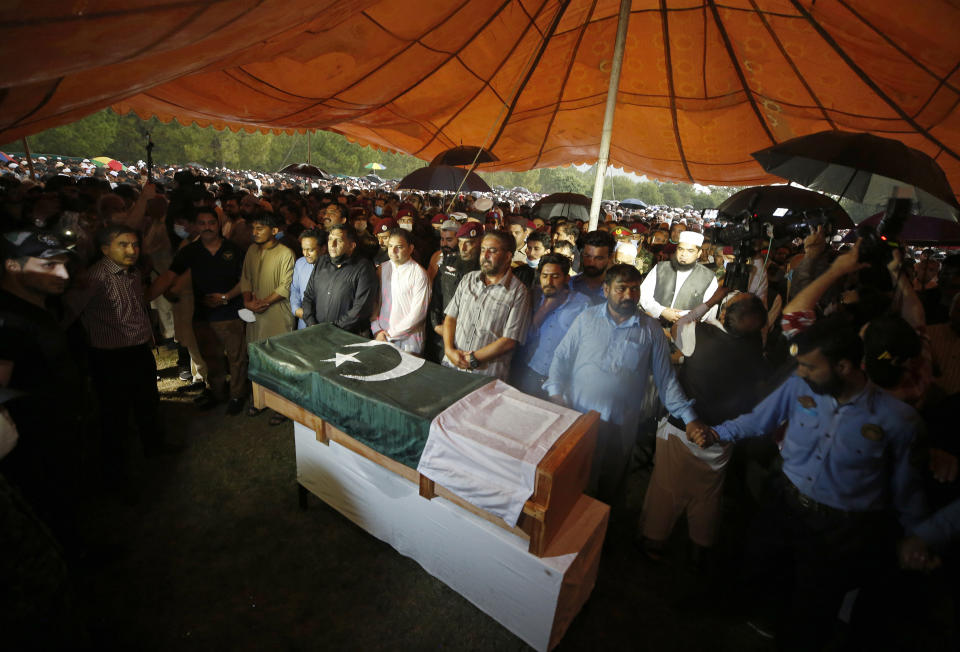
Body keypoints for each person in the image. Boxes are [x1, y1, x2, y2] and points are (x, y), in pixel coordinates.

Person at [688, 315, 928, 649]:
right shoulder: (799, 386)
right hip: (783, 499)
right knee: (752, 565)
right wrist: (717, 433)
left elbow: (907, 491)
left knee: (813, 606)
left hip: (840, 528)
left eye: (810, 367)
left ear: (844, 366)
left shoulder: (898, 421)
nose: (800, 372)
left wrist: (918, 537)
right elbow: (760, 420)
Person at [544, 264, 706, 502]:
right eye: (621, 289)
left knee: (610, 488)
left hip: (620, 426)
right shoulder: (587, 319)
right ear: (607, 289)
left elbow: (666, 380)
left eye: (635, 289)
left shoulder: (650, 330)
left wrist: (690, 418)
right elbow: (561, 358)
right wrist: (556, 394)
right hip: (577, 418)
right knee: (572, 482)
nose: (630, 295)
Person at [640, 288, 770, 562]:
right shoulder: (755, 346)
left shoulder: (700, 336)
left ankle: (655, 541)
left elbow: (678, 326)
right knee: (708, 493)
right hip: (723, 432)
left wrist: (709, 301)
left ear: (722, 313)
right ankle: (699, 545)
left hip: (684, 425)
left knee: (666, 487)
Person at [65, 224, 174, 479]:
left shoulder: (132, 273)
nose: (132, 250)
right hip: (110, 356)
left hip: (138, 350)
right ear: (105, 249)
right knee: (115, 415)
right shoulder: (95, 278)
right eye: (123, 245)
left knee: (147, 401)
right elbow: (70, 312)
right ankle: (117, 472)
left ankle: (154, 446)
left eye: (135, 244)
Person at [0, 229, 86, 547]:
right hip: (33, 443)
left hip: (59, 428)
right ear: (12, 266)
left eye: (64, 264)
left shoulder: (39, 305)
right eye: (49, 266)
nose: (63, 274)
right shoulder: (8, 321)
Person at [147, 207, 248, 415]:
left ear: (218, 224)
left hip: (231, 313)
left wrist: (225, 296)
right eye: (202, 223)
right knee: (211, 358)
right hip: (203, 316)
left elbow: (246, 279)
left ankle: (237, 394)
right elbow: (169, 276)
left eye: (211, 222)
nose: (207, 227)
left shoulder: (234, 249)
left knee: (236, 359)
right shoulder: (190, 252)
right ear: (196, 226)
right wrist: (142, 299)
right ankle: (218, 392)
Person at [443, 230, 531, 380]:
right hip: (452, 365)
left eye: (493, 251)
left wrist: (473, 358)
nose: (485, 256)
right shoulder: (468, 280)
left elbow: (509, 340)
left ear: (508, 256)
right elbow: (450, 318)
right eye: (483, 250)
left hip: (486, 374)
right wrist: (449, 350)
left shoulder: (518, 292)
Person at [510, 253, 589, 398]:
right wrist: (544, 310)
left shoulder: (583, 304)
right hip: (531, 374)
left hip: (562, 382)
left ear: (566, 278)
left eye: (555, 276)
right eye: (545, 276)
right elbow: (522, 338)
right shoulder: (531, 298)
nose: (549, 282)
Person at [301, 223, 378, 335]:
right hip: (316, 333)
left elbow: (360, 309)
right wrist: (312, 324)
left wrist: (331, 329)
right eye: (330, 239)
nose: (332, 244)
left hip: (347, 337)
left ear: (351, 245)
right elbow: (308, 296)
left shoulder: (364, 268)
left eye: (339, 240)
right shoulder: (322, 262)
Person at [425, 221, 481, 363]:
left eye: (470, 243)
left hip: (472, 341)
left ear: (481, 243)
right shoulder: (448, 264)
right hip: (442, 336)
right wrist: (437, 326)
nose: (464, 247)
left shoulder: (488, 272)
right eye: (461, 242)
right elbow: (436, 297)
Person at [370, 228, 430, 353]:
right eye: (390, 246)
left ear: (411, 248)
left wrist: (390, 334)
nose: (393, 251)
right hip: (381, 335)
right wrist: (376, 329)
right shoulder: (383, 268)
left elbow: (418, 314)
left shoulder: (419, 274)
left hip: (408, 342)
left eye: (399, 247)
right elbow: (375, 302)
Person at [639, 230, 717, 323]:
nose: (683, 254)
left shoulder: (709, 277)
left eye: (690, 251)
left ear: (699, 253)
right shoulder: (660, 268)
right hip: (654, 326)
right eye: (680, 249)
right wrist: (661, 311)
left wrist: (680, 316)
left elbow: (709, 309)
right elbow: (643, 294)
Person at [290, 228, 325, 330]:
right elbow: (294, 290)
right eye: (303, 249)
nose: (306, 254)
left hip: (324, 326)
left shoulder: (333, 269)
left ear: (323, 249)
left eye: (310, 250)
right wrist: (296, 309)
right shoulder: (300, 263)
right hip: (303, 324)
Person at [571, 230, 615, 305]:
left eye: (599, 258)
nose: (591, 263)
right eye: (588, 256)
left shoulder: (617, 292)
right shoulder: (569, 285)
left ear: (610, 257)